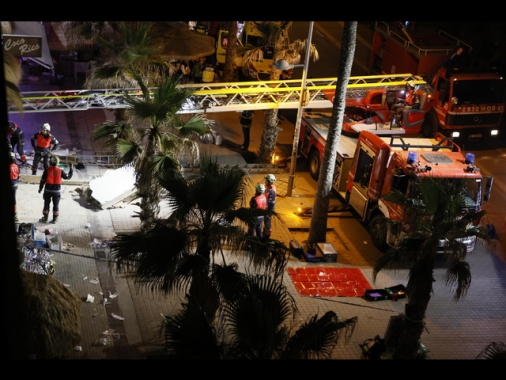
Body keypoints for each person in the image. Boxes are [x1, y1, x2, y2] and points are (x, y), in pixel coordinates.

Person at [38, 155, 73, 223]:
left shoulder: (47, 170)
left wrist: (40, 189)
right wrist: (71, 168)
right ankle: (55, 219)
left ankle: (45, 218)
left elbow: (42, 180)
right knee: (56, 205)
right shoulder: (60, 171)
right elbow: (68, 177)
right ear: (58, 163)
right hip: (56, 191)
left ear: (50, 162)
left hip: (47, 190)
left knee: (46, 204)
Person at [263, 174, 277, 240]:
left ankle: (266, 237)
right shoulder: (269, 187)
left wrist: (268, 211)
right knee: (266, 221)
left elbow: (271, 202)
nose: (265, 181)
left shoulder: (271, 190)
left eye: (266, 180)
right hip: (267, 207)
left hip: (269, 209)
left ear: (269, 181)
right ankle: (265, 232)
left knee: (267, 222)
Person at [9, 152, 20, 223]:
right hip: (15, 185)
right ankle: (15, 215)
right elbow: (18, 176)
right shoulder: (16, 166)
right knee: (13, 200)